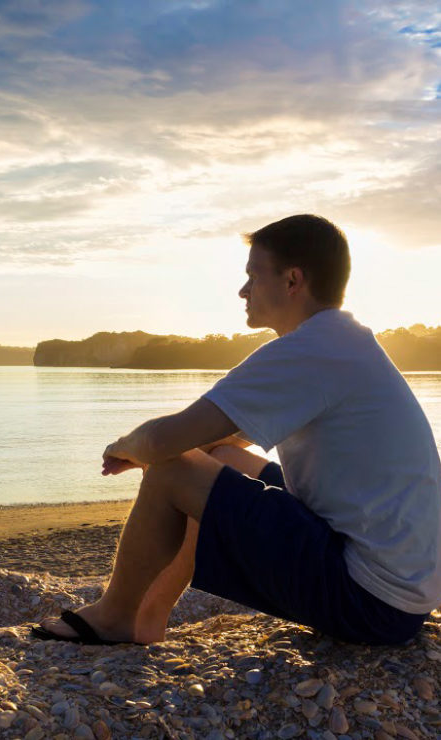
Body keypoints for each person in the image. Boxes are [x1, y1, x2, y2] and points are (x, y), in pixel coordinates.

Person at [32, 214, 441, 646]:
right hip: (402, 591)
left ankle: (115, 617)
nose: (243, 290)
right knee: (218, 459)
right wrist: (170, 453)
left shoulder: (308, 351)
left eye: (252, 276)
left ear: (292, 281)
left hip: (368, 600)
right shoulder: (343, 341)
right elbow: (223, 439)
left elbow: (163, 442)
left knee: (171, 469)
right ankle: (148, 617)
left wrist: (126, 448)